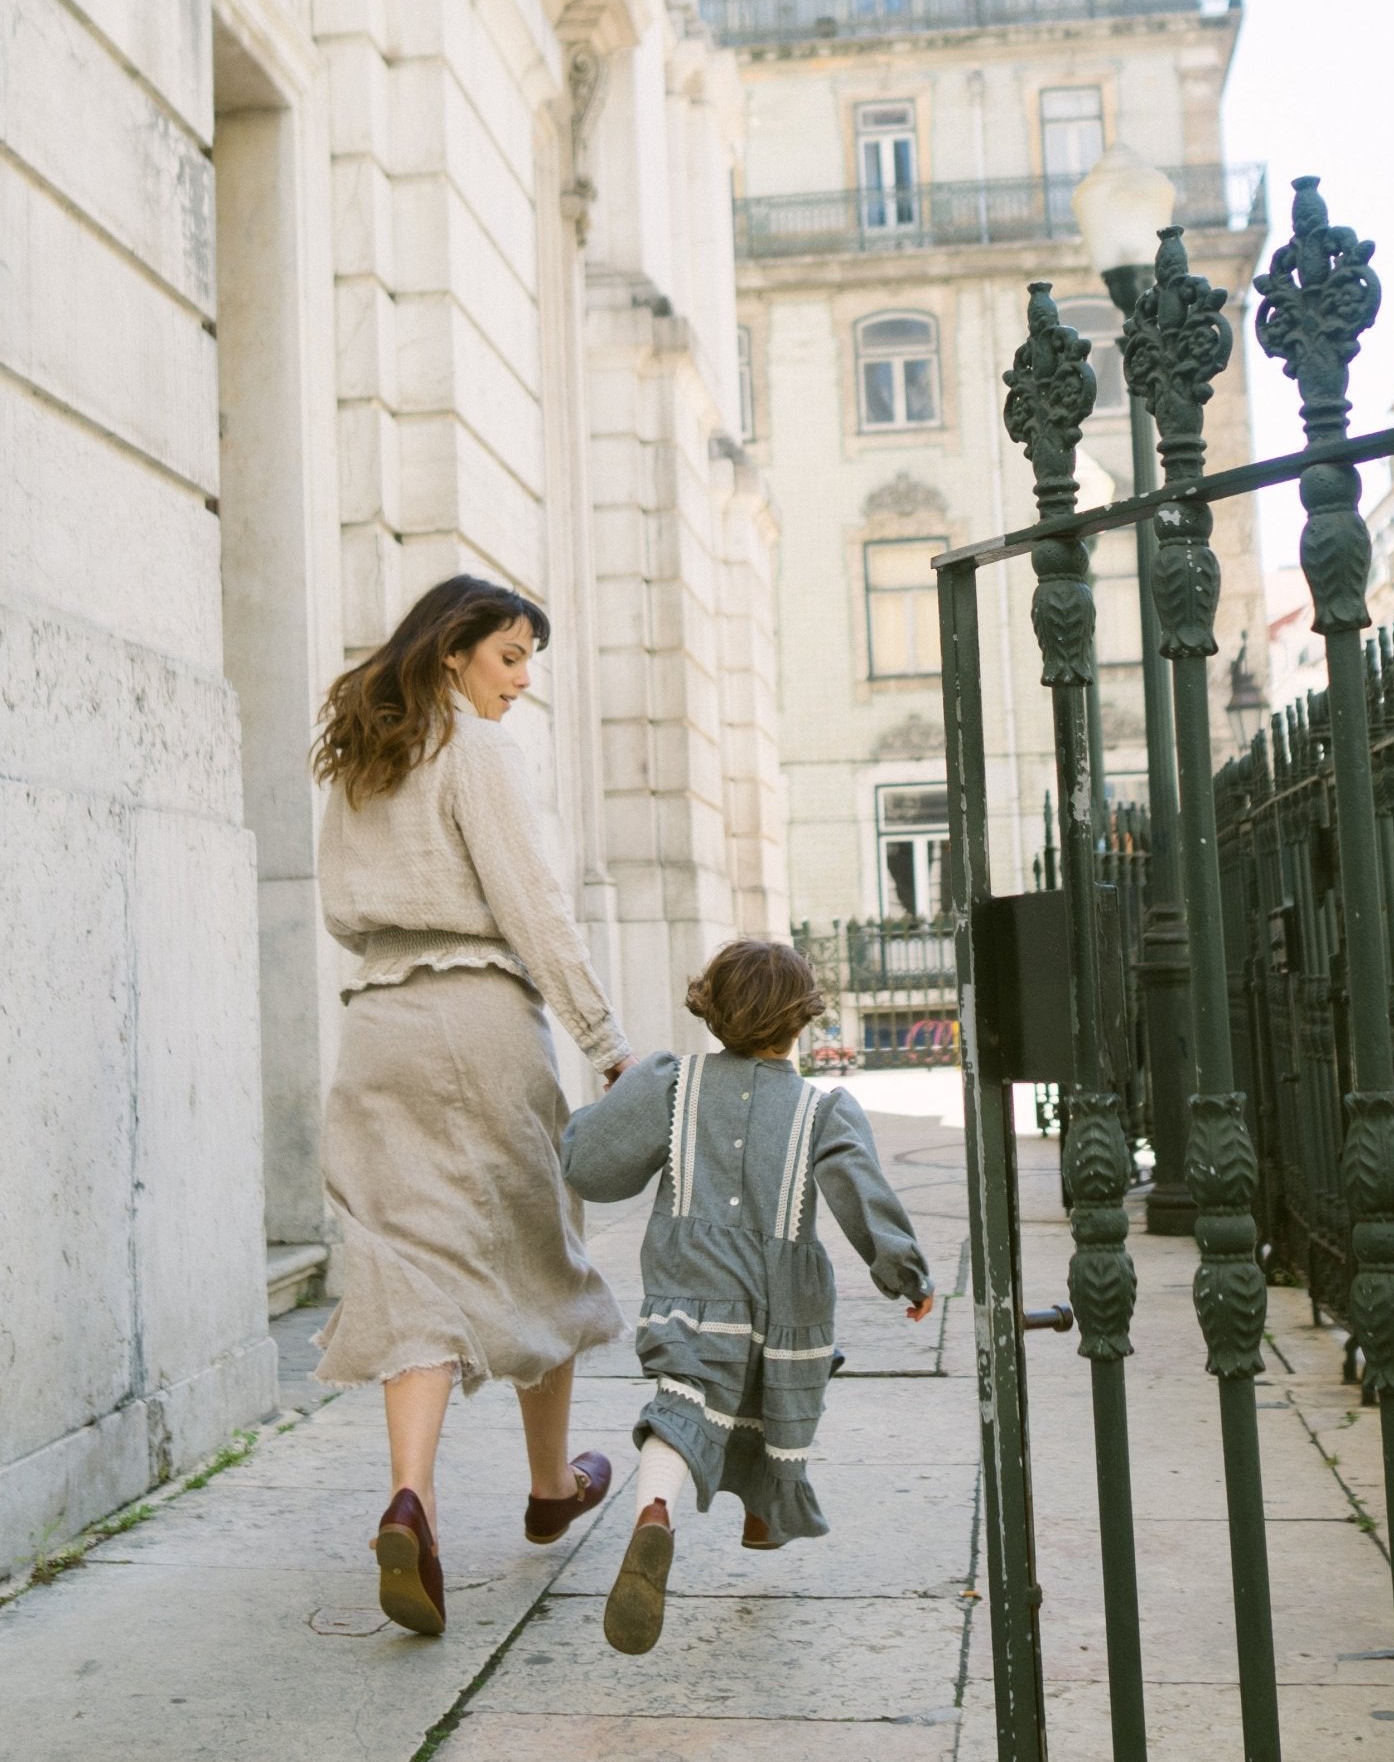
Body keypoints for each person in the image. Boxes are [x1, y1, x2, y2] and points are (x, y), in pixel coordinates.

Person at [310, 574, 636, 1637]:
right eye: (509, 655)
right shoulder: (477, 750)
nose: (524, 680)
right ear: (453, 651)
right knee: (538, 1242)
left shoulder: (365, 750)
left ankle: (414, 1497)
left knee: (408, 1261)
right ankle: (551, 1484)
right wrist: (603, 1039)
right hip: (478, 1019)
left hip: (373, 1025)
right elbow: (531, 903)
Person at [559, 940, 933, 1656]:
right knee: (772, 1393)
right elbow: (862, 1193)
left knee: (684, 1401)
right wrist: (904, 1272)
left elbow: (589, 1167)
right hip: (781, 1301)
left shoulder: (672, 1085)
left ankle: (654, 1514)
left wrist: (605, 1110)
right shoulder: (824, 1110)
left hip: (690, 1279)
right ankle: (764, 1517)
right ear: (801, 1021)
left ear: (712, 1011)